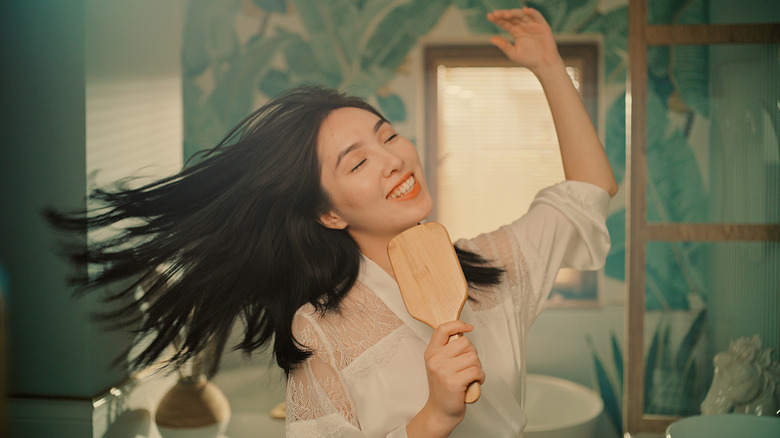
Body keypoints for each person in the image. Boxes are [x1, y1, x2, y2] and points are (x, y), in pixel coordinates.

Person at [48, 7, 617, 438]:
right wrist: (434, 415)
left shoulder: (493, 269)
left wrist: (547, 66)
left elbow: (589, 193)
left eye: (388, 134)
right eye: (359, 161)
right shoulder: (318, 331)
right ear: (328, 211)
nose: (393, 159)